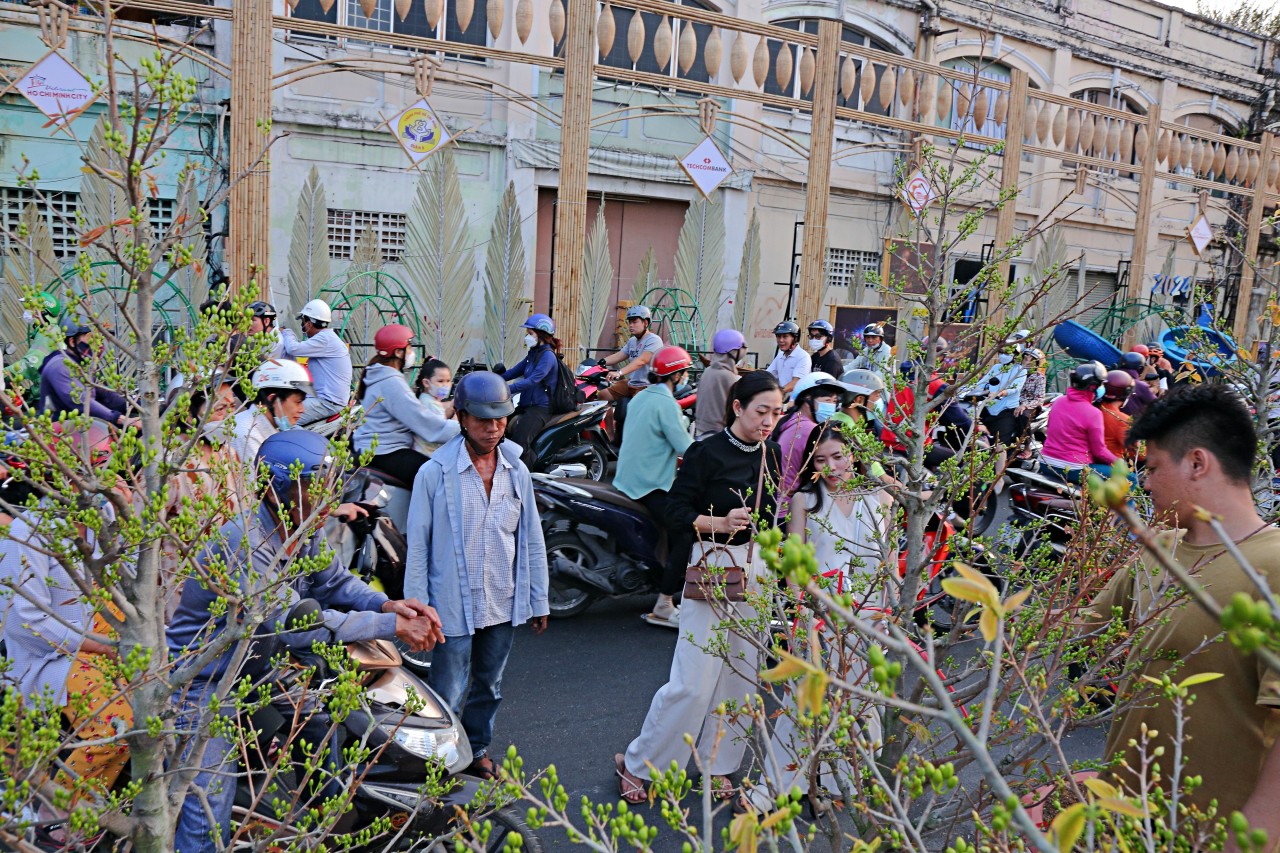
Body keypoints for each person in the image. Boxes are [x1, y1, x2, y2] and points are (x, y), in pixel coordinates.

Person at [169, 431, 443, 852]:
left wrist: (389, 606)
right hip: (204, 684)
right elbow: (296, 624)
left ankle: (322, 829)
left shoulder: (301, 527)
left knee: (321, 720)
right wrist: (392, 628)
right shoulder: (245, 542)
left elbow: (332, 582)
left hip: (256, 667)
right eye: (310, 488)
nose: (323, 498)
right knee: (208, 804)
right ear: (275, 492)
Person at [1082, 385, 1280, 837]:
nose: (1144, 483)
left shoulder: (1275, 567)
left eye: (1151, 468)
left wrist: (1251, 838)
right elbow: (1075, 631)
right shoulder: (1159, 549)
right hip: (1124, 823)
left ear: (1196, 463)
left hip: (1208, 832)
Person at [615, 370, 783, 805]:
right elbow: (673, 508)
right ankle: (639, 763)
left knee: (742, 678)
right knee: (693, 679)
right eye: (761, 411)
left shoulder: (776, 454)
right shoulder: (706, 452)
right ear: (738, 407)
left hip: (758, 569)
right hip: (713, 562)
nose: (768, 421)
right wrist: (717, 523)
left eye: (776, 413)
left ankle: (719, 766)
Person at [405, 371, 550, 779]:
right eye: (484, 420)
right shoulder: (434, 474)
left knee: (490, 685)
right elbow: (418, 546)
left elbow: (531, 539)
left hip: (502, 599)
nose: (493, 429)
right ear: (463, 418)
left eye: (500, 419)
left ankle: (478, 746)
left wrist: (539, 599)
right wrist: (417, 608)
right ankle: (438, 759)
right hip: (451, 603)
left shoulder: (515, 471)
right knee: (445, 689)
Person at [752, 422, 894, 809]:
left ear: (854, 454)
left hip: (870, 613)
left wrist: (889, 611)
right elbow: (795, 563)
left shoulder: (880, 497)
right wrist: (802, 612)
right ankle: (778, 786)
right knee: (805, 699)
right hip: (820, 614)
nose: (831, 466)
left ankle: (839, 785)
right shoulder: (804, 499)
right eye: (821, 459)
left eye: (838, 455)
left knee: (861, 701)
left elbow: (891, 561)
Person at [0, 423, 132, 802]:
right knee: (116, 725)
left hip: (99, 642)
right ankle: (58, 815)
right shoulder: (28, 533)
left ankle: (96, 801)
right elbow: (25, 624)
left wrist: (128, 523)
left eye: (110, 462)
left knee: (157, 703)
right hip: (48, 656)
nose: (109, 475)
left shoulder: (102, 512)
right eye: (98, 463)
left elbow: (128, 581)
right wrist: (99, 645)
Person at [614, 346, 695, 629]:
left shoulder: (641, 398)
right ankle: (663, 602)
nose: (686, 378)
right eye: (684, 373)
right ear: (677, 375)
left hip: (626, 479)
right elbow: (686, 447)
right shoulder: (667, 404)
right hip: (650, 485)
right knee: (685, 533)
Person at [353, 324, 459, 485]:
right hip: (385, 451)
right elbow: (421, 420)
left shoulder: (378, 374)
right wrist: (463, 429)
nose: (411, 354)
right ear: (398, 352)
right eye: (409, 348)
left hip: (372, 447)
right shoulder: (391, 382)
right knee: (439, 476)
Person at [38, 317, 138, 429]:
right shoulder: (59, 366)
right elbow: (82, 402)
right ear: (72, 342)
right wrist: (121, 419)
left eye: (100, 339)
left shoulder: (81, 365)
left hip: (79, 429)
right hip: (57, 434)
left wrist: (136, 402)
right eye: (92, 338)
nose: (99, 345)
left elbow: (106, 395)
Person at [1038, 361, 1117, 485]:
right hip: (1073, 469)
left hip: (1045, 463)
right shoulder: (1094, 413)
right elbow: (1099, 451)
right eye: (1101, 383)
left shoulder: (1058, 402)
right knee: (1131, 478)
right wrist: (1119, 463)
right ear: (1092, 386)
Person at [774, 372, 851, 499]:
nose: (831, 406)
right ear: (807, 399)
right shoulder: (810, 430)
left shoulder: (790, 420)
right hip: (789, 505)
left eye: (834, 402)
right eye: (827, 401)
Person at [280, 298, 353, 426]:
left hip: (327, 402)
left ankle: (301, 445)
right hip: (326, 399)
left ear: (309, 323)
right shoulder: (326, 338)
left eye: (303, 321)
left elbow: (293, 348)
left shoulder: (324, 339)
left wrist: (287, 332)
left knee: (285, 420)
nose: (302, 326)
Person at [503, 314, 563, 468]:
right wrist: (492, 379)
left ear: (541, 334)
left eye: (530, 334)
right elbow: (513, 372)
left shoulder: (548, 356)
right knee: (502, 433)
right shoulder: (533, 354)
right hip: (525, 405)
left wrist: (507, 389)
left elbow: (532, 380)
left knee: (518, 445)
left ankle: (530, 475)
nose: (527, 337)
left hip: (540, 408)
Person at [229, 359, 314, 465]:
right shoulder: (247, 434)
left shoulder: (274, 427)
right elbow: (255, 479)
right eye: (298, 402)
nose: (302, 410)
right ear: (273, 399)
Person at [965, 342, 1027, 477]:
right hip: (988, 406)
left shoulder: (1021, 371)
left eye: (1007, 352)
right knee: (973, 434)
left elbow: (1015, 388)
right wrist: (965, 389)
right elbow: (982, 382)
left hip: (1005, 410)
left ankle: (998, 477)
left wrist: (1001, 393)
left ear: (1015, 355)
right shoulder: (996, 367)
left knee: (1000, 445)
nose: (1003, 355)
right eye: (1002, 352)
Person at [598, 306, 663, 402]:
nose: (631, 325)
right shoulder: (632, 341)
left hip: (646, 386)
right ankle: (610, 417)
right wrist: (601, 362)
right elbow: (620, 355)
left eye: (634, 322)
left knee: (635, 408)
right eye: (630, 322)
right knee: (603, 395)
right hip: (631, 383)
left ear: (645, 323)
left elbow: (641, 361)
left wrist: (619, 373)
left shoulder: (654, 340)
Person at [694, 329, 744, 440]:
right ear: (734, 352)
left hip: (701, 431)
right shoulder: (731, 378)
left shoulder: (708, 371)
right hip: (719, 436)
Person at [412, 357, 455, 457]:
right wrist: (456, 414)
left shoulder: (427, 399)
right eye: (440, 381)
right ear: (426, 383)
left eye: (448, 381)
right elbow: (444, 432)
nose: (445, 385)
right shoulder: (430, 404)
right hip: (429, 455)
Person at [1012, 347, 1046, 454]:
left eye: (1031, 359)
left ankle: (1027, 447)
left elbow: (1039, 399)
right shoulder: (1016, 373)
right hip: (1014, 401)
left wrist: (1024, 405)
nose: (1027, 361)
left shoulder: (1039, 377)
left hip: (1030, 406)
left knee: (1022, 416)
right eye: (1025, 358)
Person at [1097, 369, 1135, 462]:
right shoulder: (1123, 419)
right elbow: (1139, 454)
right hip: (1110, 467)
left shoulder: (1092, 408)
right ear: (1125, 395)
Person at [766, 321, 811, 397]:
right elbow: (768, 375)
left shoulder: (803, 356)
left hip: (794, 403)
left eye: (785, 336)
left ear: (795, 338)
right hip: (781, 399)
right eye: (778, 336)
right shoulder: (780, 355)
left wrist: (777, 393)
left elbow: (796, 382)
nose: (781, 340)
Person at [1117, 351, 1156, 419]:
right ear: (1140, 368)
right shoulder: (1141, 386)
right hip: (1130, 424)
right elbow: (1156, 404)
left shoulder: (1110, 377)